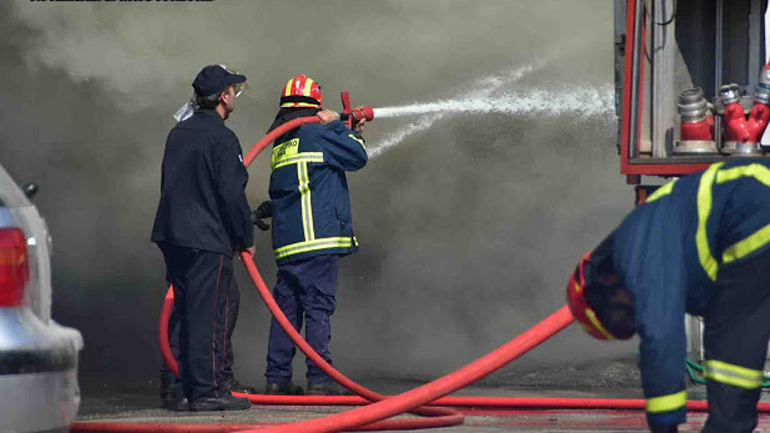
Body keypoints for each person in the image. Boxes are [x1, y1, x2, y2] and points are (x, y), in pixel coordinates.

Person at [566, 159, 770, 433]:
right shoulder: (653, 230)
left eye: (622, 317)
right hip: (754, 217)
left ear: (604, 284)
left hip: (756, 207)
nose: (635, 318)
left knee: (727, 343)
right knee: (733, 350)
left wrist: (664, 425)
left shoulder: (635, 244)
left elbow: (662, 336)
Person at [151, 64, 254, 411]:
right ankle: (208, 391)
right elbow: (231, 195)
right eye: (234, 90)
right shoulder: (223, 138)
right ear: (224, 96)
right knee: (211, 314)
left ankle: (180, 388)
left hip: (173, 234)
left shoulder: (177, 133)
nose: (236, 95)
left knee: (187, 310)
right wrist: (244, 235)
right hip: (207, 237)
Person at [261, 74, 368, 396]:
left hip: (288, 244)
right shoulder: (318, 132)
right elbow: (358, 157)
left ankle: (276, 379)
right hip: (317, 239)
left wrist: (347, 132)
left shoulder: (282, 141)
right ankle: (320, 379)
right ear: (316, 107)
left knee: (286, 312)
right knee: (318, 308)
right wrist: (338, 126)